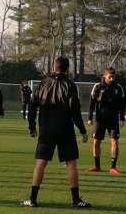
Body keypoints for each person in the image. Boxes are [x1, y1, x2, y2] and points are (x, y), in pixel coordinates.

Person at [21, 57, 90, 208]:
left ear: (54, 67)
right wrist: (83, 131)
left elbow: (32, 106)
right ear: (67, 69)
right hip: (65, 129)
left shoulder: (43, 83)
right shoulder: (70, 85)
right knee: (71, 164)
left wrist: (32, 126)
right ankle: (76, 200)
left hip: (46, 129)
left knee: (41, 163)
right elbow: (75, 111)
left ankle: (32, 199)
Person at [87, 67, 126, 175]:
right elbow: (92, 103)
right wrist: (90, 117)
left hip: (113, 119)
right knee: (96, 142)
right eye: (110, 77)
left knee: (114, 141)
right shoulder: (97, 87)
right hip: (100, 119)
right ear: (105, 76)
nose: (112, 79)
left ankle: (113, 167)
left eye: (113, 77)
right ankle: (97, 166)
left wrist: (122, 118)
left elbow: (122, 105)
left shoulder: (118, 88)